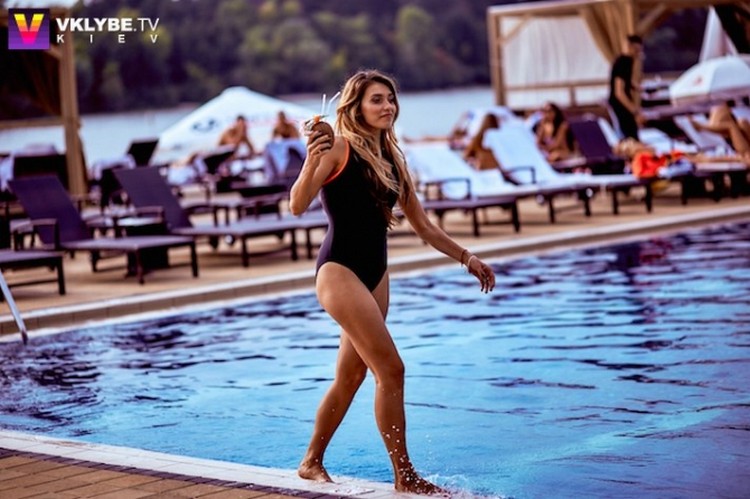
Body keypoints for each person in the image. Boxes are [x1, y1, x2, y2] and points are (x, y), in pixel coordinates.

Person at [289, 69, 496, 495]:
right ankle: (405, 475)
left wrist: (467, 257)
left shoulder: (393, 159)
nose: (387, 106)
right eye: (377, 99)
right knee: (391, 370)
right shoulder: (338, 147)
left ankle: (310, 461)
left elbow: (423, 225)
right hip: (339, 270)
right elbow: (296, 204)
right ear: (356, 107)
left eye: (390, 99)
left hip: (376, 274)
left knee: (351, 377)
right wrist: (311, 158)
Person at [608, 34, 645, 140]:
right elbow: (619, 92)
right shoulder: (622, 62)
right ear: (630, 47)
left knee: (631, 132)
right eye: (637, 50)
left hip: (622, 101)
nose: (638, 53)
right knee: (629, 135)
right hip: (619, 103)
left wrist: (635, 86)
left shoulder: (628, 61)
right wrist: (634, 110)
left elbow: (624, 80)